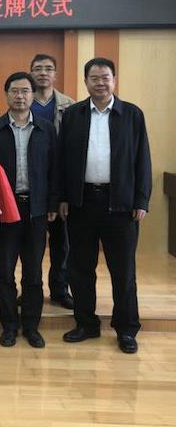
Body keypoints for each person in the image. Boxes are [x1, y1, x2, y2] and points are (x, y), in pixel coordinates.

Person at [59, 58, 152, 354]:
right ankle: (86, 324)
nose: (100, 83)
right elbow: (62, 160)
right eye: (94, 78)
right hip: (82, 202)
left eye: (105, 77)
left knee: (123, 271)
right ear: (86, 81)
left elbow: (142, 159)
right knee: (80, 268)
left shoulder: (132, 114)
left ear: (114, 80)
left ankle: (126, 329)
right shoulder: (73, 114)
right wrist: (62, 197)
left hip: (121, 205)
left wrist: (141, 199)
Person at [0, 72, 58, 348]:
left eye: (25, 91)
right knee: (5, 272)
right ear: (6, 94)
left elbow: (55, 169)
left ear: (33, 95)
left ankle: (31, 326)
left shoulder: (46, 128)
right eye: (15, 91)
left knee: (33, 273)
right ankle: (9, 326)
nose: (20, 96)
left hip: (36, 210)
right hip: (5, 210)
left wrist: (52, 203)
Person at [30, 53, 75, 309]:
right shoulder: (23, 101)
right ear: (31, 73)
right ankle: (31, 289)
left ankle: (60, 289)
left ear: (55, 74)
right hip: (33, 183)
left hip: (61, 183)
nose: (43, 73)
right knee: (31, 244)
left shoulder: (70, 106)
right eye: (38, 69)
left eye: (48, 68)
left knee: (61, 242)